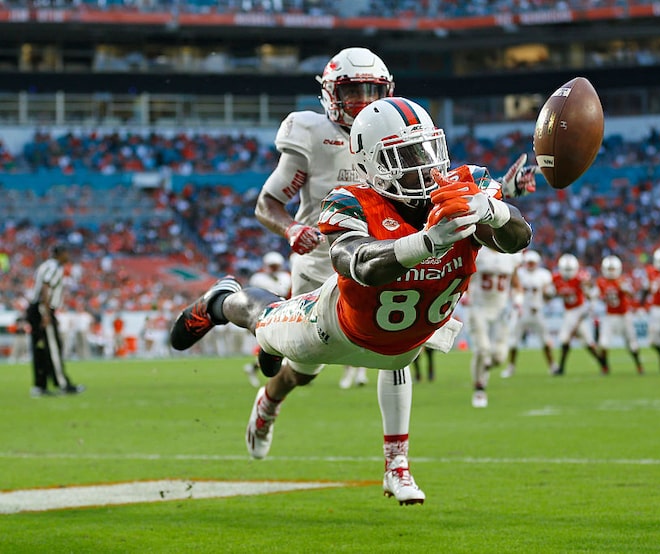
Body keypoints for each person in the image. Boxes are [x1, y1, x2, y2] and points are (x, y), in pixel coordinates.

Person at [169, 96, 533, 504]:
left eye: (427, 149)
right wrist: (427, 242)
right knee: (270, 328)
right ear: (371, 165)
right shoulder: (350, 200)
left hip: (399, 339)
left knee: (397, 357)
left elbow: (516, 240)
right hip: (334, 323)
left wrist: (495, 212)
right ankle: (221, 301)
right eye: (404, 156)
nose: (424, 166)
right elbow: (358, 264)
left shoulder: (465, 184)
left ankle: (397, 467)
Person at [254, 47, 392, 393]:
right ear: (332, 93)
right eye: (352, 91)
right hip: (319, 260)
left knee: (396, 346)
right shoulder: (312, 131)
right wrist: (292, 228)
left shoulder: (394, 132)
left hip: (374, 256)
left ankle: (396, 449)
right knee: (304, 370)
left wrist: (502, 192)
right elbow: (268, 203)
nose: (362, 100)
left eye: (371, 91)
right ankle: (269, 393)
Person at [464, 245, 523, 407]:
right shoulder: (479, 253)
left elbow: (517, 285)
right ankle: (479, 389)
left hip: (501, 310)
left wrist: (518, 302)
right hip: (479, 307)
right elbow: (465, 276)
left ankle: (482, 370)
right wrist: (464, 294)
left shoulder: (511, 256)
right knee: (482, 349)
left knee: (498, 357)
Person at [25, 244, 84, 397]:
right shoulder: (54, 267)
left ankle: (40, 385)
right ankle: (62, 383)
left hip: (37, 309)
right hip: (42, 309)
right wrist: (46, 313)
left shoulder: (46, 265)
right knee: (53, 348)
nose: (68, 256)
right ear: (60, 253)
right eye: (66, 252)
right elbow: (46, 286)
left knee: (40, 349)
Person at [550, 253, 607, 376]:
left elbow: (591, 293)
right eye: (566, 269)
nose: (568, 272)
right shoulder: (556, 279)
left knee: (587, 342)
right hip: (568, 312)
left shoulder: (580, 279)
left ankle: (603, 364)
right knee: (565, 340)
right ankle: (562, 368)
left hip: (579, 310)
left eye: (570, 269)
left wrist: (589, 309)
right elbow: (552, 292)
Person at [501, 250, 555, 378]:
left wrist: (547, 294)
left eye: (533, 263)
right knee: (513, 342)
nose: (530, 265)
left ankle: (552, 365)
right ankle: (511, 367)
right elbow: (511, 288)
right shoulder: (519, 274)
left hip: (537, 312)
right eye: (529, 263)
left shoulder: (544, 275)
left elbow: (549, 294)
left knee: (545, 340)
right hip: (521, 311)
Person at [244, 251, 292, 387]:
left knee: (279, 345)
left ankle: (255, 368)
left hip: (282, 313)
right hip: (264, 314)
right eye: (272, 266)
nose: (274, 268)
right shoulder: (258, 278)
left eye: (276, 265)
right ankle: (277, 372)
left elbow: (285, 293)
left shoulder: (285, 276)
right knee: (272, 344)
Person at [595, 255, 644, 375]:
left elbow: (632, 295)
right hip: (610, 316)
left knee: (632, 344)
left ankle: (639, 366)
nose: (611, 272)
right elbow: (596, 296)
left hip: (624, 315)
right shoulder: (601, 281)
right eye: (609, 269)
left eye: (613, 269)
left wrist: (624, 289)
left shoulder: (622, 280)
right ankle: (605, 367)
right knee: (603, 343)